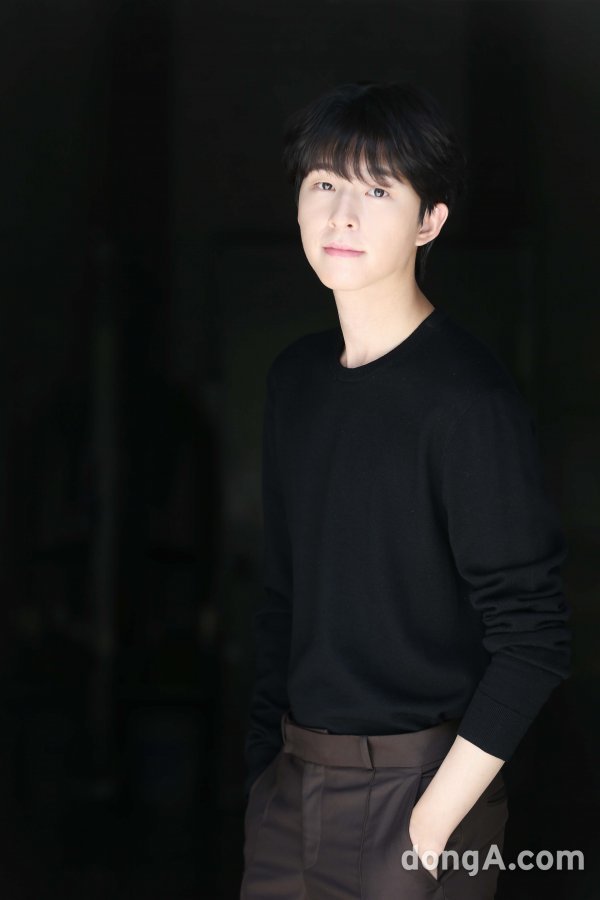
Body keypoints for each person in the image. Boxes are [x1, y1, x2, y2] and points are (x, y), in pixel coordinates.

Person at [240, 80, 572, 899]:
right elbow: (282, 594)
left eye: (379, 190)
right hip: (290, 790)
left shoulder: (468, 401)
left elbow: (534, 637)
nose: (343, 216)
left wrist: (433, 822)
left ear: (431, 221)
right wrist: (262, 772)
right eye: (324, 183)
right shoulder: (295, 381)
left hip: (420, 793)